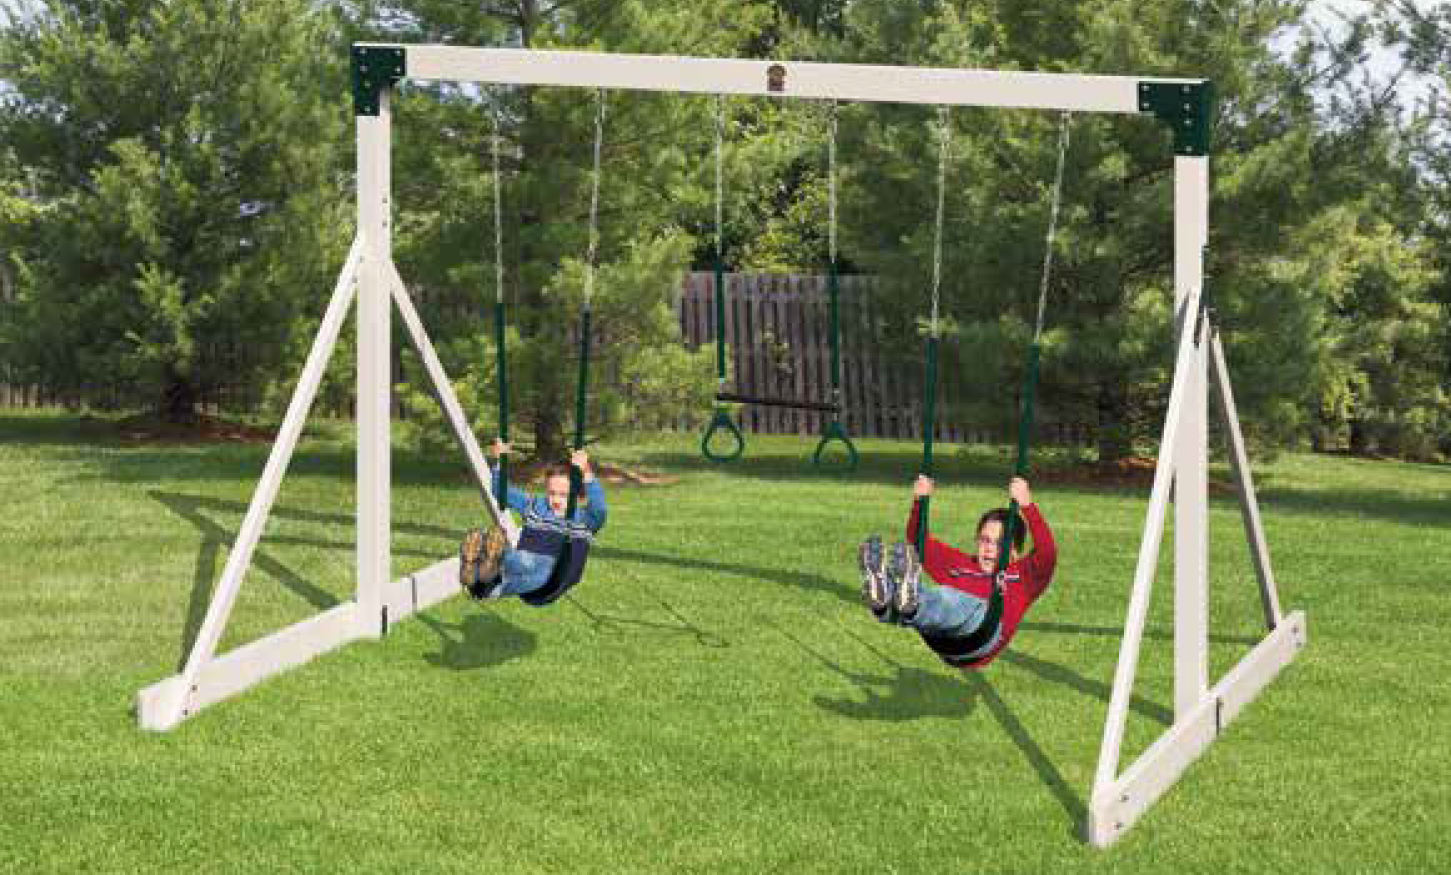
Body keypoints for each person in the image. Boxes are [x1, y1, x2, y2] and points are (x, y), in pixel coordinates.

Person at [858, 475, 1057, 669]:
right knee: (928, 596)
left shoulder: (1024, 577)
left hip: (981, 638)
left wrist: (1027, 505)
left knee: (946, 597)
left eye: (999, 544)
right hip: (940, 639)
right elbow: (919, 543)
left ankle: (904, 603)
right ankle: (885, 597)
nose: (989, 548)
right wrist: (919, 501)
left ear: (1014, 551)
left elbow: (1047, 553)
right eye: (985, 540)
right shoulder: (960, 565)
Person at [459, 440, 608, 604]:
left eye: (564, 495)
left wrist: (586, 472)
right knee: (525, 563)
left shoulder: (582, 521)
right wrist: (500, 460)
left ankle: (488, 571)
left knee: (538, 573)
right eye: (552, 493)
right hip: (527, 561)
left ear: (579, 496)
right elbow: (501, 491)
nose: (556, 500)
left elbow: (599, 510)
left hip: (551, 577)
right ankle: (486, 560)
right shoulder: (535, 506)